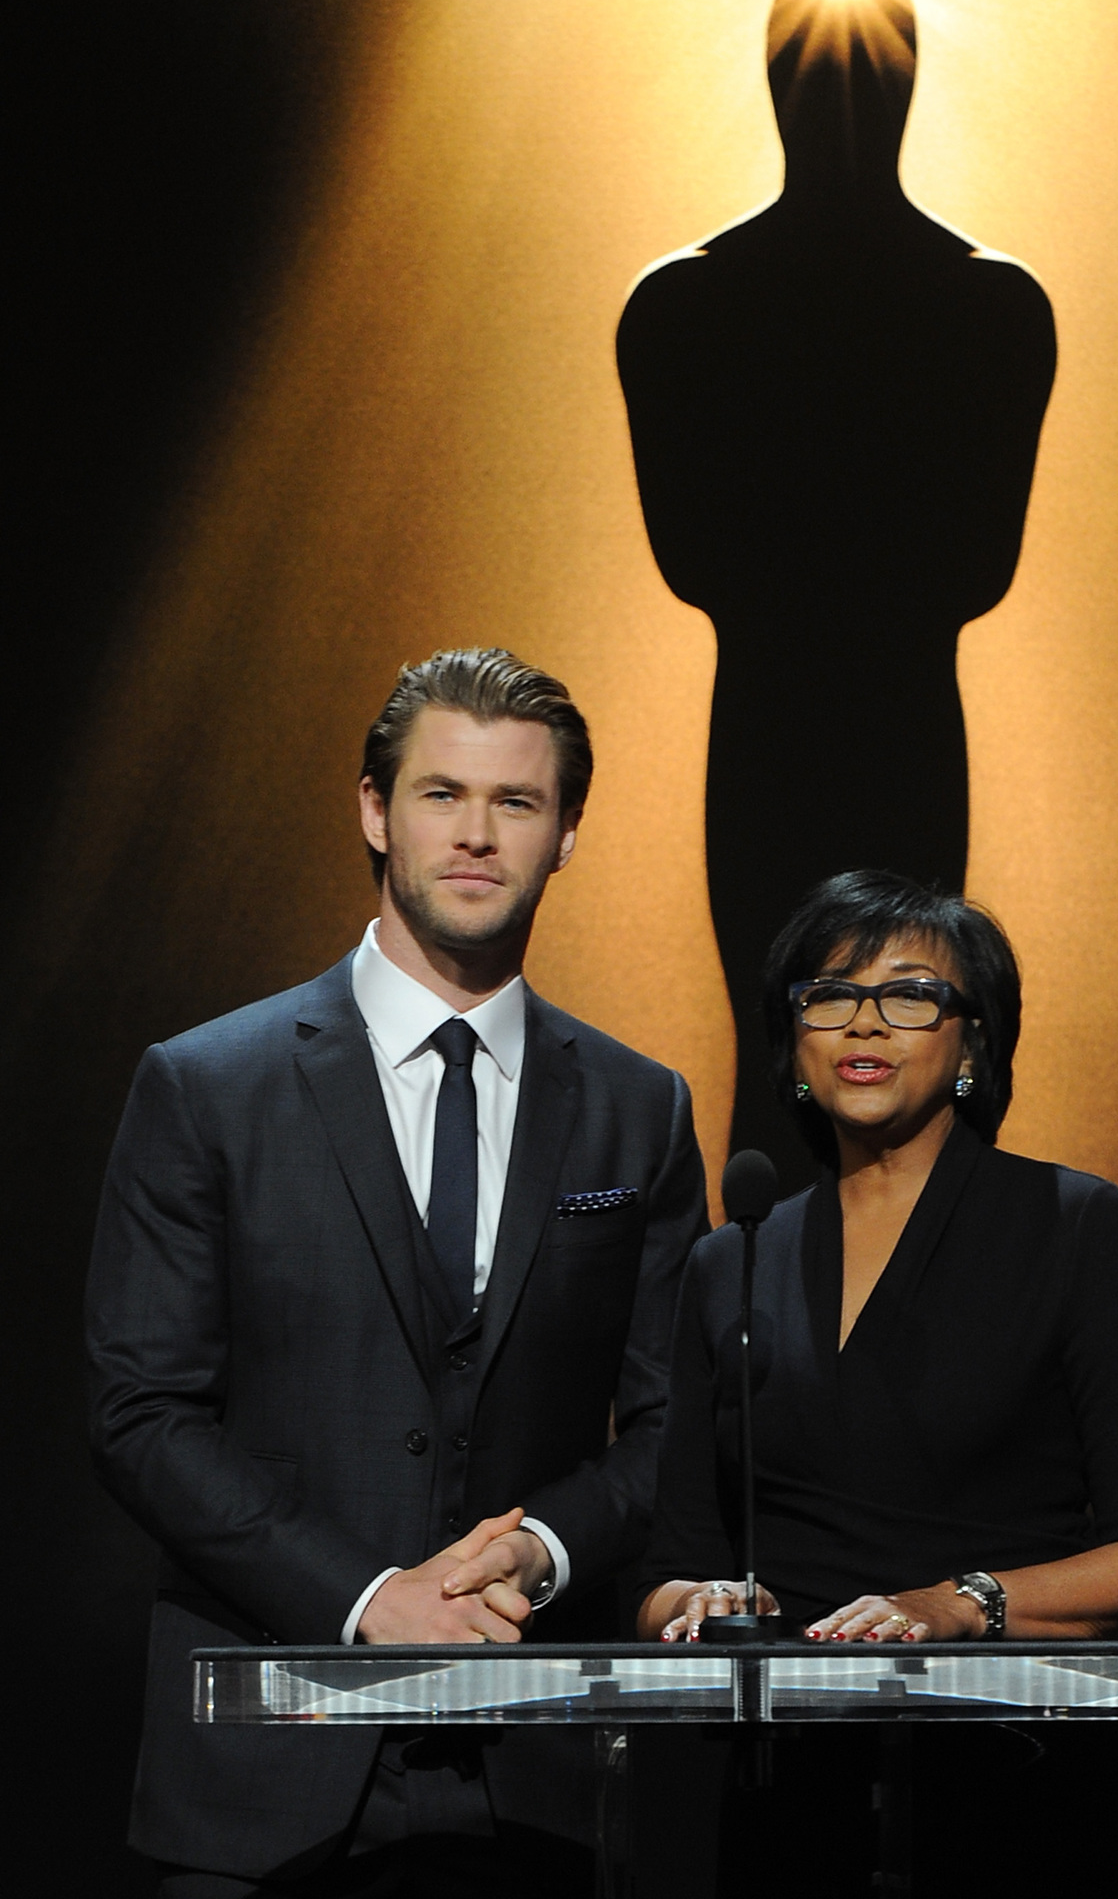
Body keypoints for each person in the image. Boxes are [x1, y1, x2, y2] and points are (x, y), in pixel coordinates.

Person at [86, 647, 708, 1898]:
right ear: (374, 809)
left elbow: (672, 1423)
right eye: (440, 794)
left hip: (533, 1771)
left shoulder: (639, 1107)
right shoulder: (207, 1085)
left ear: (567, 832)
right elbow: (140, 1411)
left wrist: (542, 1544)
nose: (475, 834)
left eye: (516, 802)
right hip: (263, 1770)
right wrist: (366, 1595)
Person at [638, 870, 1118, 1897]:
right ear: (794, 1043)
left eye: (908, 995)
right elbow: (669, 1560)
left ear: (972, 1042)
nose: (864, 1021)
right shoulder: (734, 1257)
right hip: (792, 1805)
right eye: (828, 994)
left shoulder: (1070, 1224)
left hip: (1029, 1794)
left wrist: (958, 1604)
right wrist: (695, 1600)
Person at [617, 0, 1055, 1176]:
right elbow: (975, 568)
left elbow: (691, 558)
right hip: (903, 726)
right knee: (898, 1048)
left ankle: (773, 1346)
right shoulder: (991, 309)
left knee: (791, 1061)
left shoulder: (685, 308)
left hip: (765, 728)